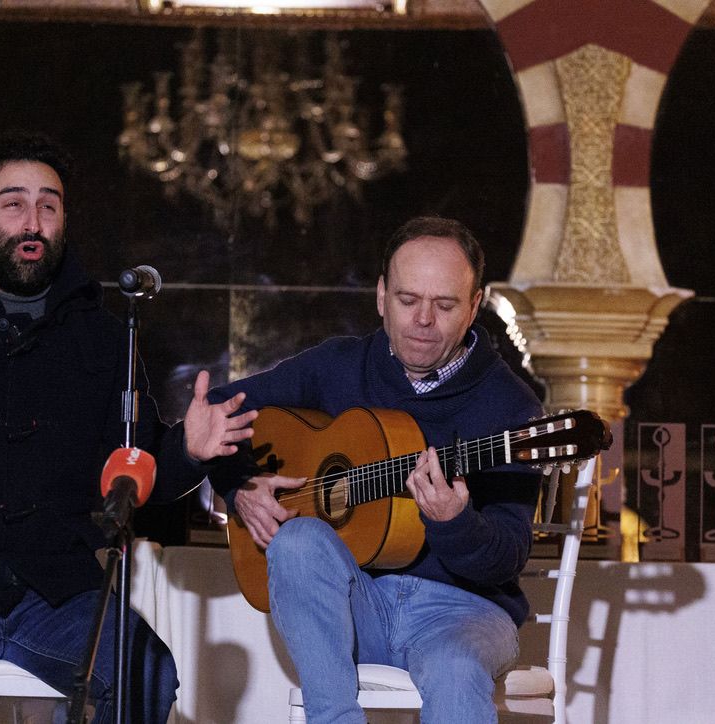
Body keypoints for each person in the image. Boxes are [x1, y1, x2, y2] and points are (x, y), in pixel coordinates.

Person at [0, 130, 256, 724]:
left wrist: (188, 451)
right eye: (13, 204)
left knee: (146, 671)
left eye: (48, 206)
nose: (32, 222)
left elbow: (133, 475)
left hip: (57, 591)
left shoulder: (108, 341)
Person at [208, 216, 545, 723]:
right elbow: (221, 407)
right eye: (408, 300)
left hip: (464, 613)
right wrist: (239, 486)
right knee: (296, 541)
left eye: (446, 304)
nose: (423, 320)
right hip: (356, 604)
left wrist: (455, 522)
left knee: (455, 669)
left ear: (475, 304)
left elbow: (506, 559)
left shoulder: (510, 407)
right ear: (382, 295)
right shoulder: (339, 364)